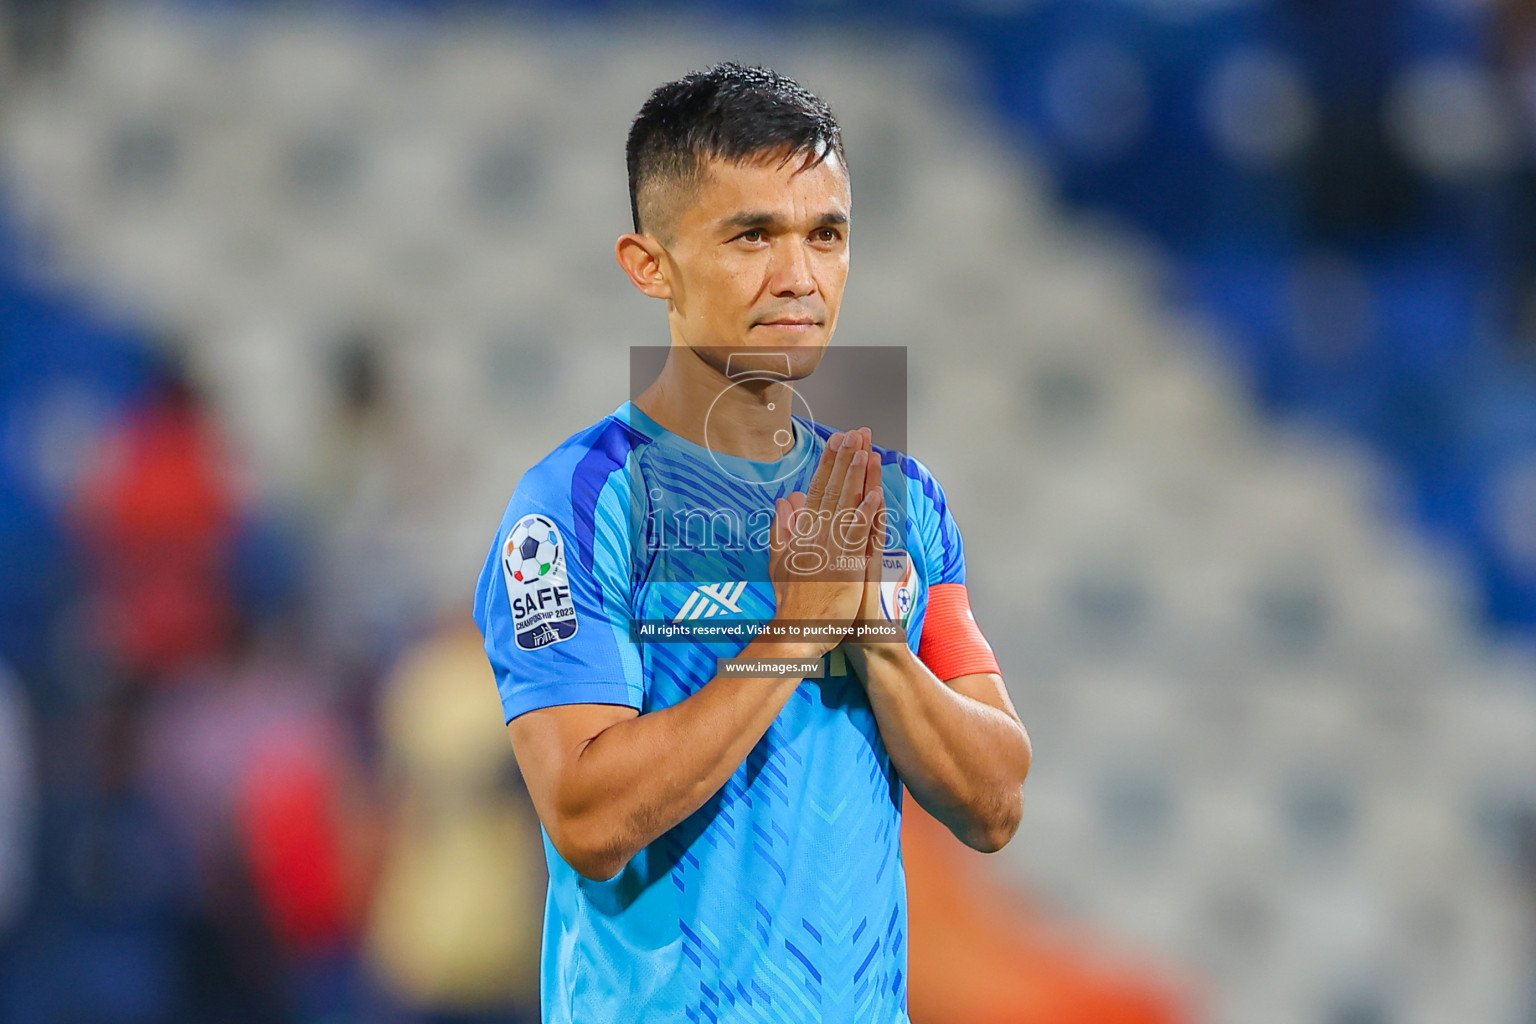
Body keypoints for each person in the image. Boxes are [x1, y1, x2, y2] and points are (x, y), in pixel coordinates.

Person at [472, 62, 1031, 1024]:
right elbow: (588, 818)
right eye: (752, 236)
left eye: (827, 235)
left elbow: (996, 801)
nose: (800, 277)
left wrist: (879, 645)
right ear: (651, 265)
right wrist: (788, 636)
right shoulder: (572, 508)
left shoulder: (900, 504)